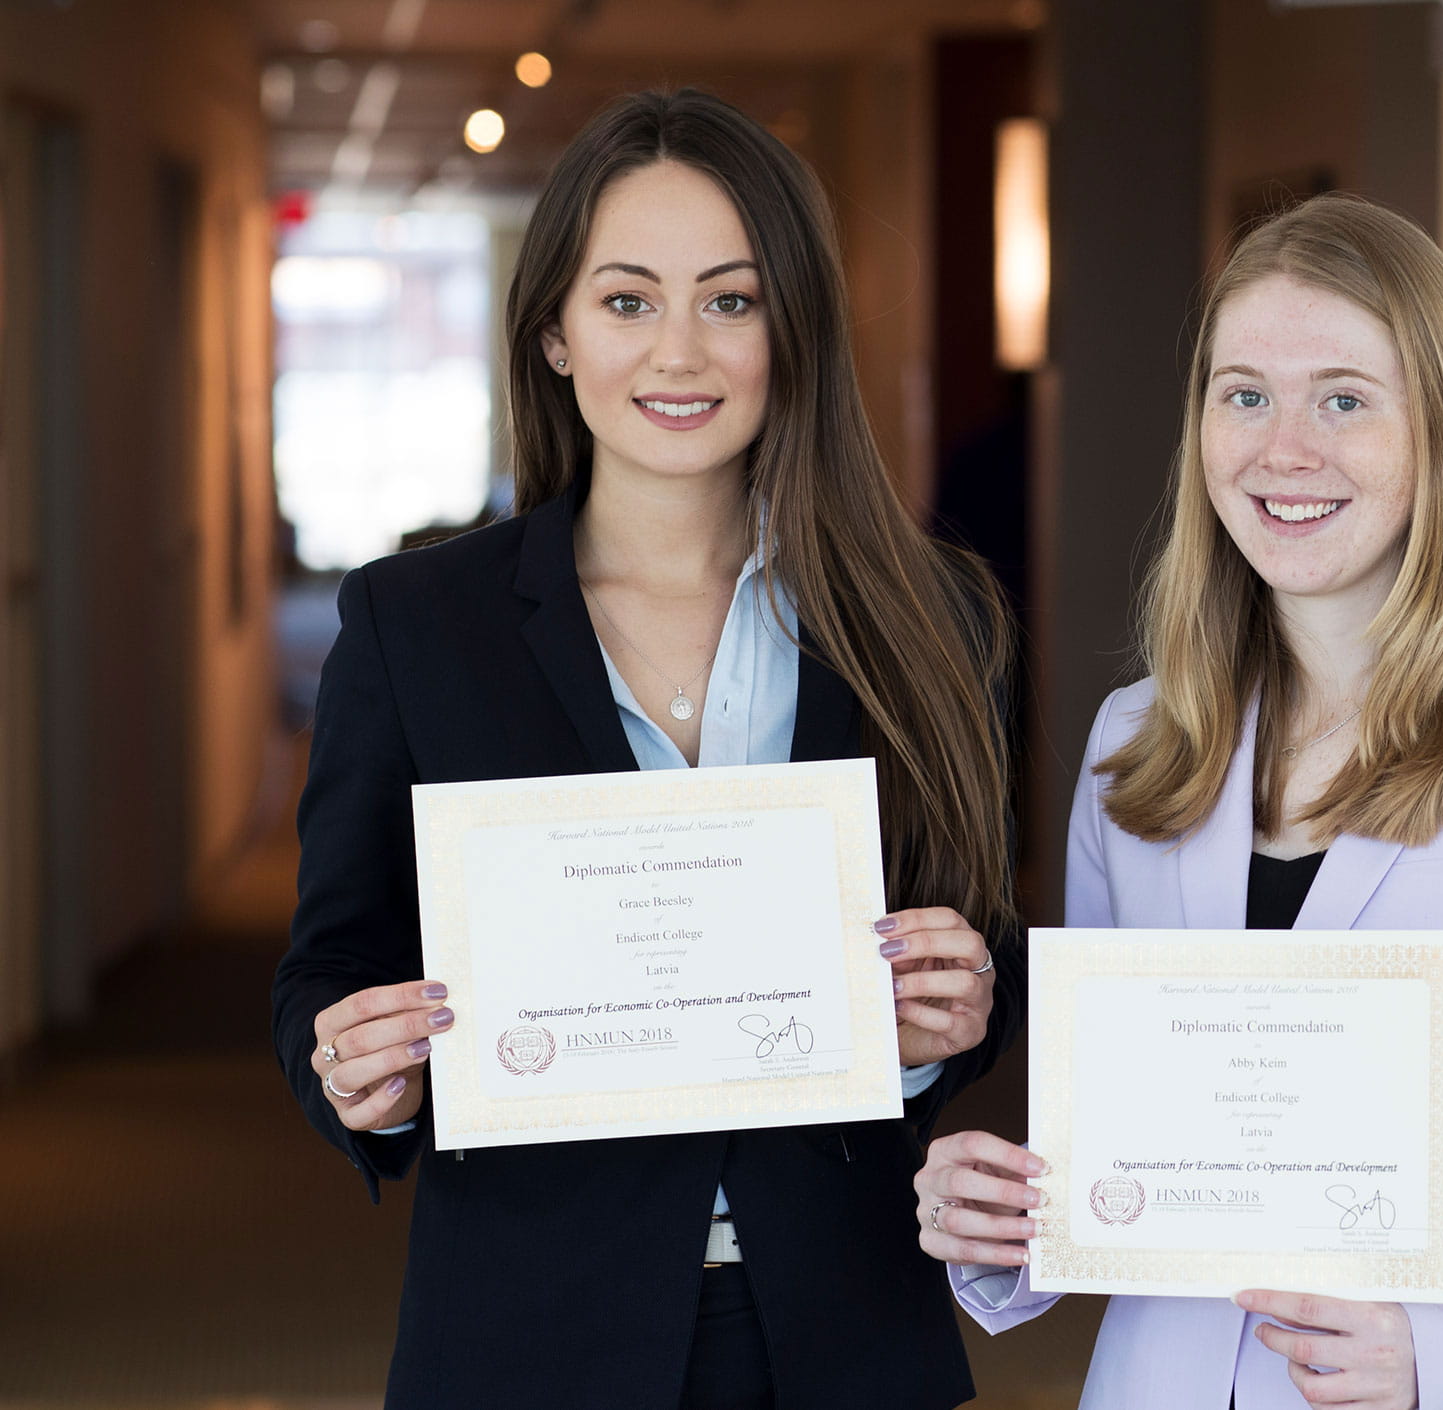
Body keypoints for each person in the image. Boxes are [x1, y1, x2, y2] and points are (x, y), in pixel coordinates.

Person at [913, 194, 1443, 1410]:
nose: (1283, 449)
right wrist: (1002, 1221)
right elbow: (1115, 1141)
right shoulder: (1138, 742)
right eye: (1243, 394)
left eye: (1342, 397)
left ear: (1441, 431)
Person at [271, 89, 1022, 1410]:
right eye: (629, 301)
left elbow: (979, 939)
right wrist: (363, 1076)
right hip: (527, 1332)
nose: (681, 350)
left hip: (841, 1330)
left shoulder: (926, 611)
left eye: (730, 301)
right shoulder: (416, 624)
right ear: (555, 331)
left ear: (792, 329)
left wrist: (945, 1023)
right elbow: (332, 964)